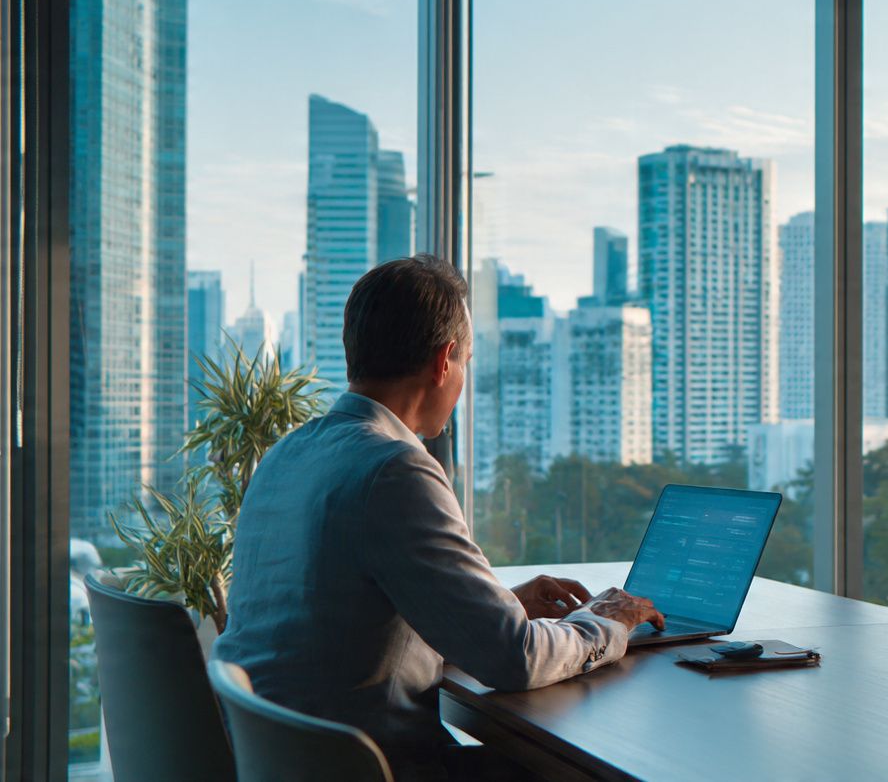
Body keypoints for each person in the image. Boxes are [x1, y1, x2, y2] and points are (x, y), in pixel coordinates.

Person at [214, 255, 664, 781]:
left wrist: (491, 609)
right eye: (467, 361)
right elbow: (514, 660)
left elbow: (335, 618)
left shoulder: (287, 454)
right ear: (444, 361)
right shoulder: (394, 469)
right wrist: (604, 620)